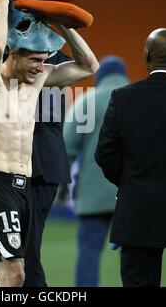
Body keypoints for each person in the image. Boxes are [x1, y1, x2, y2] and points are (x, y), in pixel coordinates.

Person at [0, 0, 99, 287]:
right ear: (14, 53)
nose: (42, 67)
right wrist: (2, 6)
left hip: (23, 187)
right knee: (15, 274)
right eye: (35, 59)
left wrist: (61, 21)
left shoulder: (37, 80)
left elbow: (89, 66)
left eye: (44, 60)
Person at [95, 28, 166, 287]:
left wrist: (129, 182)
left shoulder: (123, 98)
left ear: (146, 55)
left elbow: (105, 153)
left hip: (138, 214)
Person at [62, 56, 129, 286]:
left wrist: (61, 190)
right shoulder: (139, 102)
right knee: (136, 258)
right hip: (133, 196)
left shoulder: (86, 103)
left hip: (92, 196)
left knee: (89, 252)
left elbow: (66, 151)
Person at [23, 50, 72, 287]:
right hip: (46, 157)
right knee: (17, 247)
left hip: (34, 158)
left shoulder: (12, 54)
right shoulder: (61, 59)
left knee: (23, 249)